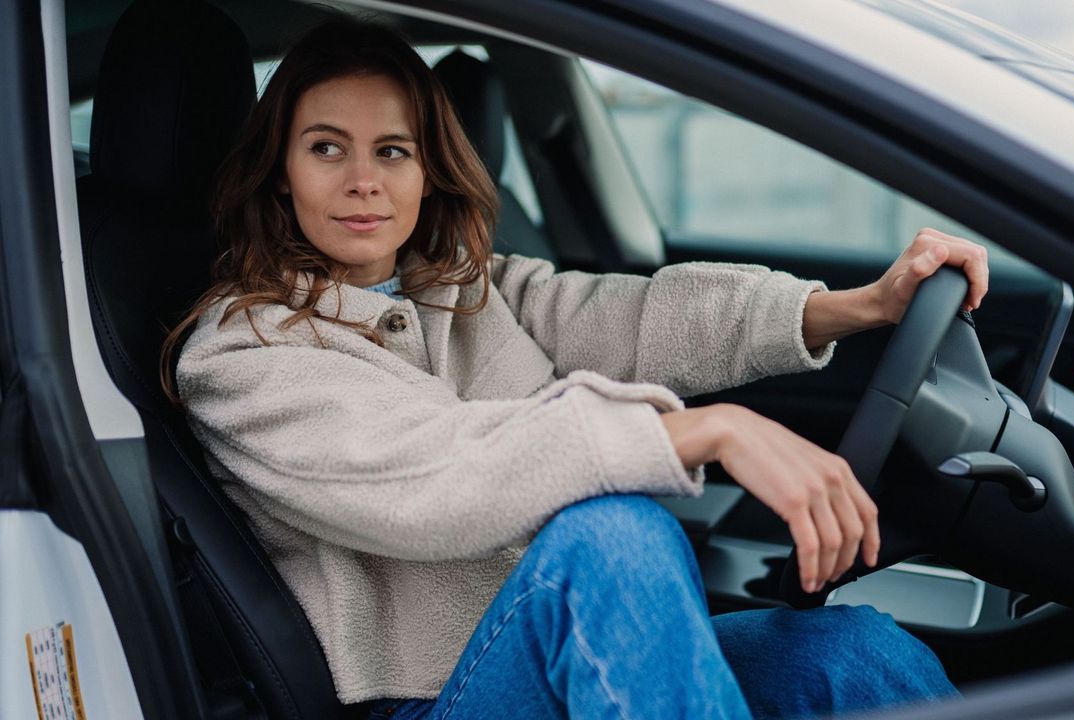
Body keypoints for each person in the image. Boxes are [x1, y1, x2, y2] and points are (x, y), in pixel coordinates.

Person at [164, 16, 989, 720]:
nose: (363, 182)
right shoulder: (240, 356)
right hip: (426, 701)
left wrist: (860, 305)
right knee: (613, 541)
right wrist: (706, 430)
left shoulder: (459, 290)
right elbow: (445, 467)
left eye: (392, 151)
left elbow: (632, 318)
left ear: (426, 172)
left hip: (554, 641)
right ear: (281, 173)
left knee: (852, 654)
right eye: (326, 148)